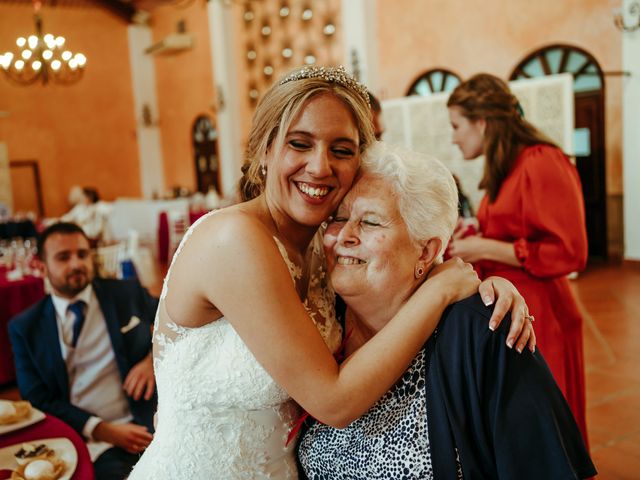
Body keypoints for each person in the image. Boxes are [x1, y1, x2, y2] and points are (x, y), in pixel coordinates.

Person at [128, 65, 533, 479]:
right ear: (264, 150)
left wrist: (483, 288)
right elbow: (333, 401)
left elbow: (391, 285)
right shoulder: (234, 239)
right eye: (299, 144)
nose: (320, 167)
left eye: (341, 150)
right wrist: (441, 290)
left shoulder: (325, 245)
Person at [298, 142, 596, 479]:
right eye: (337, 218)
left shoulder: (484, 331)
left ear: (426, 252)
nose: (344, 236)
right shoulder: (319, 320)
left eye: (370, 222)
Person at [445, 73, 590, 442]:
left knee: (548, 429)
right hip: (516, 308)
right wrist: (476, 236)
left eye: (456, 125)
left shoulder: (541, 161)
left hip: (543, 313)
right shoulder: (507, 168)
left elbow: (570, 250)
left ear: (481, 122)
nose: (453, 136)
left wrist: (483, 248)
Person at [8, 222, 158, 480]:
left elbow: (178, 319)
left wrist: (152, 358)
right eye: (63, 257)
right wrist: (100, 429)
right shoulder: (25, 327)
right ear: (42, 267)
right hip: (89, 437)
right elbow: (37, 398)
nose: (77, 263)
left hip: (148, 419)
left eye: (82, 254)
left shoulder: (125, 293)